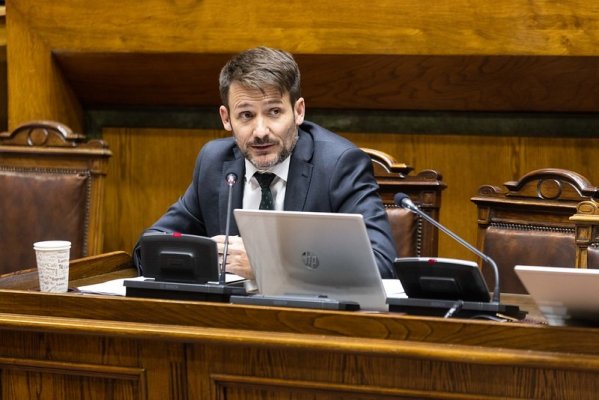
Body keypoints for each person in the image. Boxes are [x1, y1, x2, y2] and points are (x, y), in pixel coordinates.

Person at [133, 46, 397, 279]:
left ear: (298, 111)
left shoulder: (338, 165)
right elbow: (150, 248)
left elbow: (380, 264)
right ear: (226, 118)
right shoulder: (215, 162)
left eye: (274, 112)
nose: (260, 131)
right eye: (246, 115)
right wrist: (206, 257)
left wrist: (265, 265)